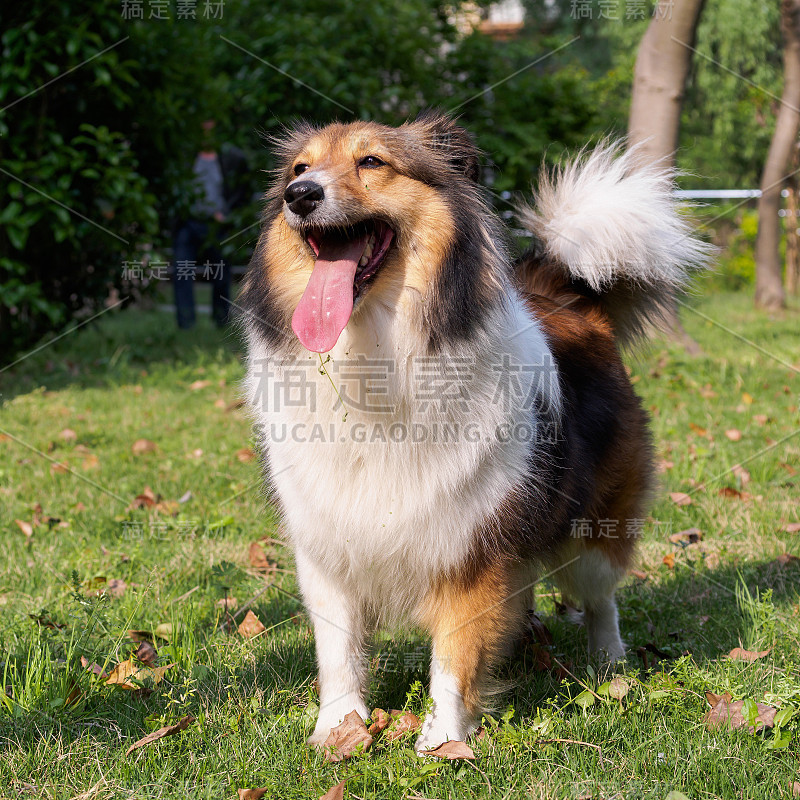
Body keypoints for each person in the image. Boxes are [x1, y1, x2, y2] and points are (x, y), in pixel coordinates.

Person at [172, 119, 248, 329]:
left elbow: (242, 190)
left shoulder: (231, 158)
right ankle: (186, 324)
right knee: (182, 271)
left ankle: (221, 321)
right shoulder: (187, 159)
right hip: (188, 223)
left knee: (221, 274)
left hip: (218, 227)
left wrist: (228, 214)